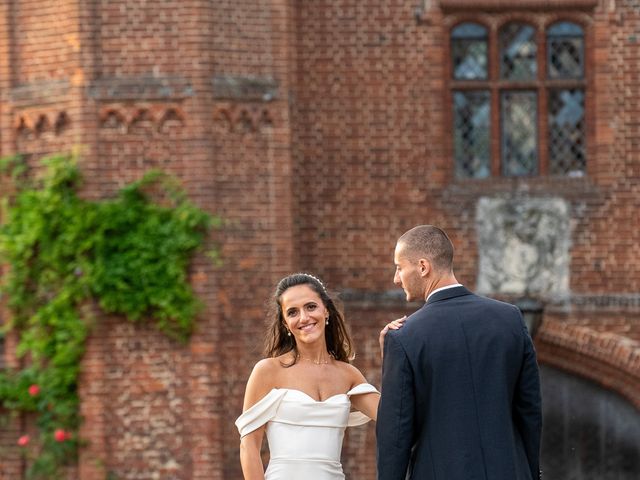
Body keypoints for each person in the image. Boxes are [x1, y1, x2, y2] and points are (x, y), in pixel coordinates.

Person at [376, 225, 542, 480]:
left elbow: (395, 436)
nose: (396, 279)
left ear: (423, 267)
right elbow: (530, 411)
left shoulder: (403, 337)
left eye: (399, 267)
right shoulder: (510, 319)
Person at [235, 273, 385, 480]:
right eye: (293, 312)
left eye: (311, 307)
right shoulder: (268, 371)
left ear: (326, 310)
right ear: (286, 324)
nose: (304, 318)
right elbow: (249, 445)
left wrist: (394, 356)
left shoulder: (348, 375)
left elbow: (394, 415)